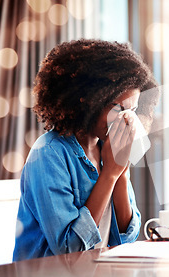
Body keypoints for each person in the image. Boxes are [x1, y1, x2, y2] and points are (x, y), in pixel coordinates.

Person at [13, 39, 159, 261]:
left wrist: (121, 173)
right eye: (118, 108)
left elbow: (126, 238)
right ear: (88, 101)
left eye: (133, 109)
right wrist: (110, 173)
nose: (126, 119)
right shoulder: (48, 154)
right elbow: (69, 250)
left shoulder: (107, 148)